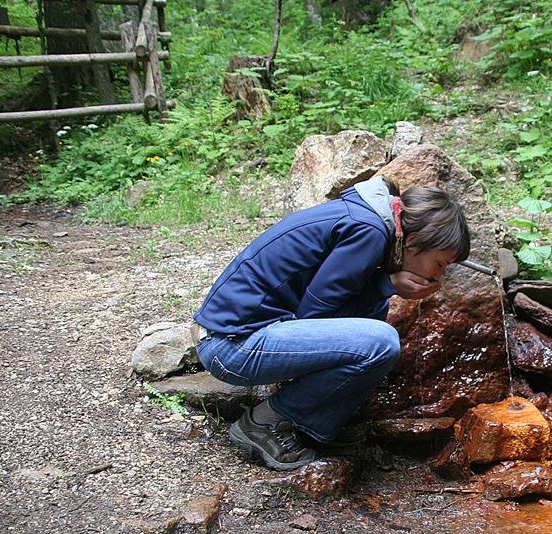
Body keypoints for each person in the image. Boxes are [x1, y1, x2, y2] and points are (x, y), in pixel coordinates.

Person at [191, 176, 469, 471]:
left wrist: (383, 287)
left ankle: (314, 427)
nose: (438, 276)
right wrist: (386, 285)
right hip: (231, 346)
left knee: (373, 316)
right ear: (414, 241)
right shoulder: (369, 231)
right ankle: (263, 422)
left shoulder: (368, 220)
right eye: (440, 264)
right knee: (380, 342)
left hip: (241, 338)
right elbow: (316, 316)